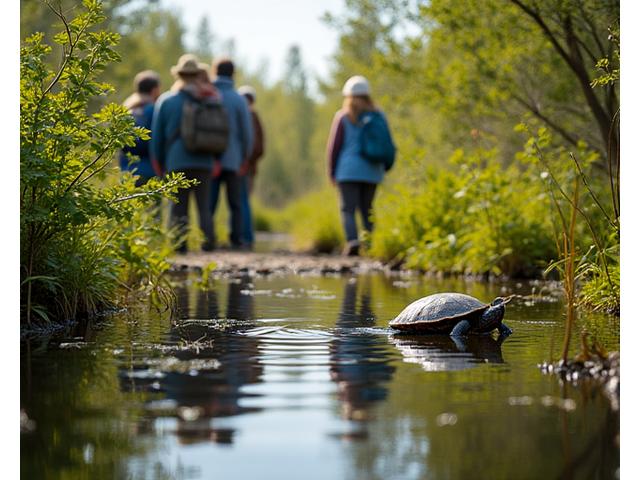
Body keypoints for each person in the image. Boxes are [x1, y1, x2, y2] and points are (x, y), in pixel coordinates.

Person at [150, 54, 217, 253]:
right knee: (204, 207)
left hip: (176, 160)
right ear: (197, 75)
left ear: (178, 75)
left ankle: (179, 247)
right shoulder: (207, 99)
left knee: (178, 206)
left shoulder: (166, 101)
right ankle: (208, 245)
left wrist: (159, 163)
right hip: (204, 160)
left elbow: (157, 137)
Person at [326, 75, 394, 256]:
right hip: (372, 170)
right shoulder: (379, 115)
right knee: (367, 209)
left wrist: (331, 172)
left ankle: (353, 241)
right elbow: (387, 142)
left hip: (347, 171)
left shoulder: (343, 117)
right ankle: (369, 244)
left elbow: (334, 147)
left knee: (348, 209)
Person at [209, 58, 253, 250]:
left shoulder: (208, 96)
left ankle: (207, 240)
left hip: (209, 158)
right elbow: (247, 133)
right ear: (233, 74)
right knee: (235, 203)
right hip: (234, 159)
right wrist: (245, 158)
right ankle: (236, 239)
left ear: (214, 71)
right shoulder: (238, 99)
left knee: (209, 203)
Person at [119, 70, 161, 187]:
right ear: (154, 90)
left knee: (128, 204)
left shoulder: (126, 109)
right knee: (151, 205)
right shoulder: (154, 110)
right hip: (150, 171)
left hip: (127, 170)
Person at [237, 85, 265, 248]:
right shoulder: (252, 116)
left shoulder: (247, 115)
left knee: (240, 202)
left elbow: (258, 146)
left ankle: (243, 237)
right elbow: (260, 147)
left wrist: (246, 160)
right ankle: (245, 238)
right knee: (243, 201)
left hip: (242, 166)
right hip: (246, 166)